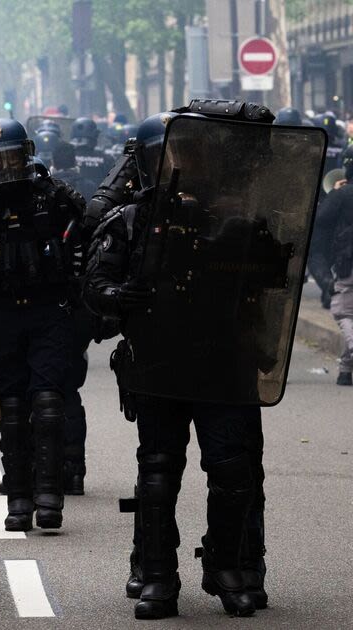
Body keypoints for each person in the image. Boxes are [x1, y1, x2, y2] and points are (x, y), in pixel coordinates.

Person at [84, 102, 305, 619]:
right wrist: (120, 293)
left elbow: (273, 281)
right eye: (170, 155)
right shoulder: (132, 220)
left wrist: (253, 248)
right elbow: (92, 287)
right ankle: (158, 575)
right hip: (160, 363)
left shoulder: (233, 215)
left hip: (224, 363)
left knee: (233, 471)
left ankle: (228, 566)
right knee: (159, 473)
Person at [0, 118, 86, 532]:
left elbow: (85, 241)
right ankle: (18, 496)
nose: (3, 168)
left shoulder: (51, 196)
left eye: (11, 158)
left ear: (26, 156)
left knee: (48, 402)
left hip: (48, 311)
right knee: (11, 408)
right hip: (0, 314)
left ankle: (49, 494)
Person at [315, 144, 353, 386]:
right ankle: (346, 370)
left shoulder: (341, 196)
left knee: (344, 311)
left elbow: (319, 226)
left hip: (347, 265)